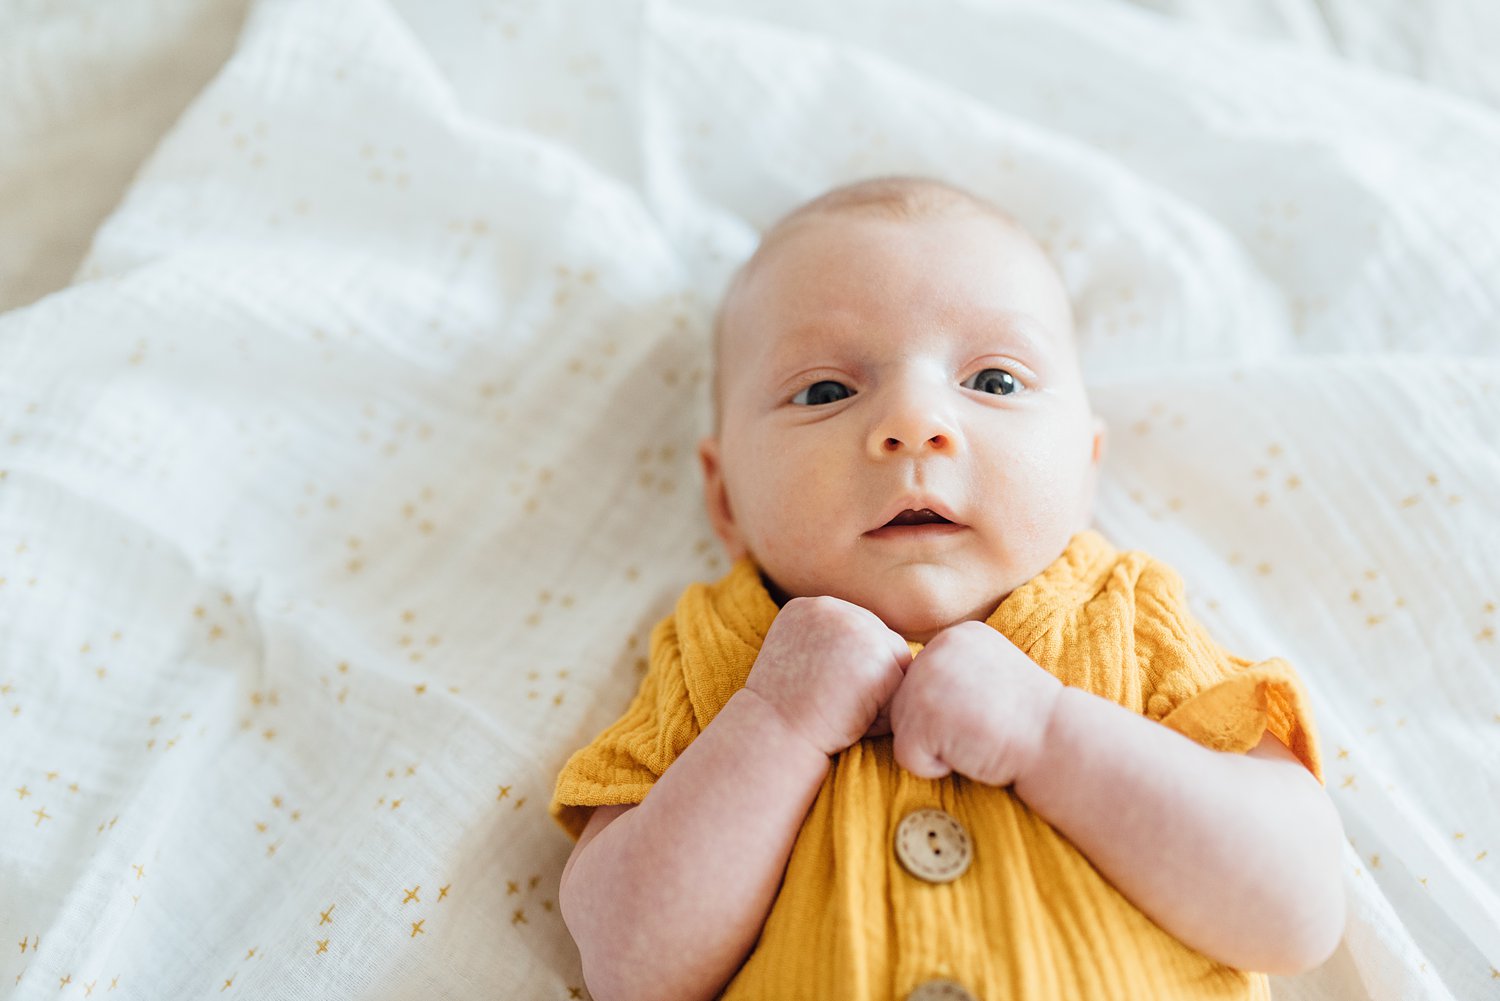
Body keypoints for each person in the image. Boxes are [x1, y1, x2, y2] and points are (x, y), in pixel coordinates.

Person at [548, 175, 1347, 1001]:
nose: (914, 422)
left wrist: (1048, 732)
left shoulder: (1128, 614)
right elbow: (629, 963)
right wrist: (776, 723)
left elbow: (1299, 904)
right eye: (826, 390)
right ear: (725, 500)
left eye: (994, 381)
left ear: (1086, 472)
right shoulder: (717, 648)